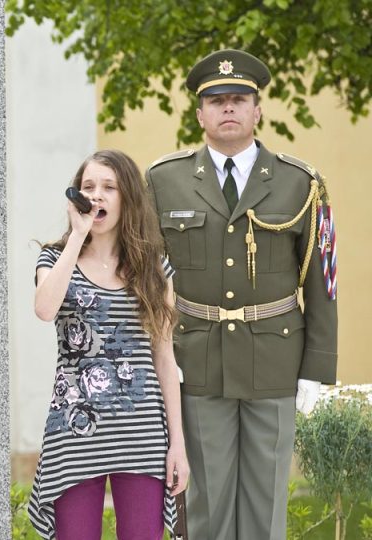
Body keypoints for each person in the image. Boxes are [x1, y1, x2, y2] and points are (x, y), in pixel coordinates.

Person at [146, 49, 338, 540]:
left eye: (238, 99)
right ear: (199, 113)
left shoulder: (302, 183)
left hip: (275, 360)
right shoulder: (163, 181)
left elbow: (322, 282)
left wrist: (317, 372)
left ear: (258, 110)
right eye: (216, 100)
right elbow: (146, 278)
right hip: (198, 358)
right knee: (205, 506)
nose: (227, 108)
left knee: (265, 506)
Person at [28, 150, 189, 539]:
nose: (96, 195)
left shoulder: (153, 266)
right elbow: (45, 309)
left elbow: (165, 359)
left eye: (108, 187)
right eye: (88, 187)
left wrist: (177, 445)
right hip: (75, 429)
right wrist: (78, 236)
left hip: (142, 431)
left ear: (127, 197)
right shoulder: (54, 256)